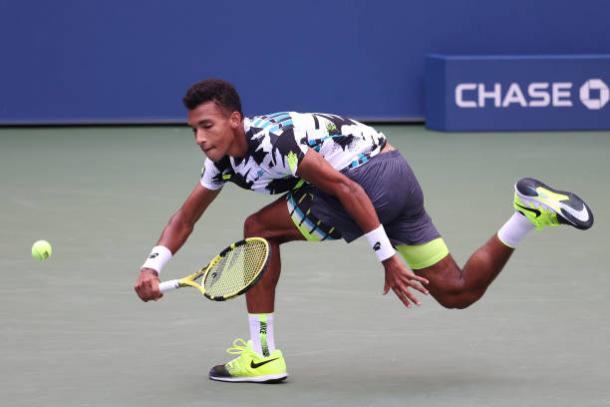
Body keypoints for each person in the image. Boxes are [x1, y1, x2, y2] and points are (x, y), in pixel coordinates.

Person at [134, 78, 594, 383]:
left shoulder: (273, 140)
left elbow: (344, 187)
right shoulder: (219, 162)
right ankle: (526, 213)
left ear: (235, 119)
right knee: (457, 291)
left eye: (207, 126)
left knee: (259, 227)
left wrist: (387, 257)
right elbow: (185, 217)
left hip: (367, 180)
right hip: (400, 177)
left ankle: (262, 355)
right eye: (193, 128)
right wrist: (153, 264)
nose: (200, 137)